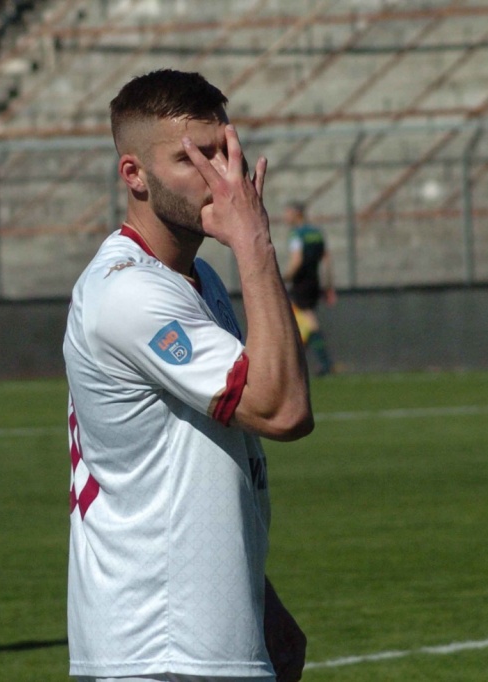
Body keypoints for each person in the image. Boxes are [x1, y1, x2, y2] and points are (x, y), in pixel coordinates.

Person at [64, 69, 313, 682]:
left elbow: (192, 469)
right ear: (134, 175)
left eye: (224, 152)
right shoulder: (130, 293)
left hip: (191, 638)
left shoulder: (193, 283)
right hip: (162, 648)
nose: (218, 177)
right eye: (190, 159)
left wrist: (258, 596)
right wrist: (255, 244)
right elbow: (283, 411)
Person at [282, 201, 335, 376]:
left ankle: (324, 362)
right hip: (314, 281)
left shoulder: (297, 234)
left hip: (300, 283)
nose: (285, 216)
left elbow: (296, 261)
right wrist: (328, 284)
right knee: (301, 320)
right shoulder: (316, 233)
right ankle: (299, 363)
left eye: (288, 212)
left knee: (306, 321)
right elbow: (327, 259)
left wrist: (284, 277)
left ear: (297, 213)